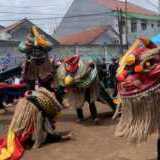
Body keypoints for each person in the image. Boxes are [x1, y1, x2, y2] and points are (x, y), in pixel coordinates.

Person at [0, 87, 71, 160]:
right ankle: (25, 141)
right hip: (32, 108)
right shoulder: (50, 103)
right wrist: (59, 137)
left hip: (24, 105)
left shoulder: (47, 97)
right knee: (30, 126)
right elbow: (47, 124)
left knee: (24, 126)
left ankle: (25, 140)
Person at [18, 26, 54, 91]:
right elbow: (21, 48)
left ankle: (45, 95)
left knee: (45, 83)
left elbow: (50, 46)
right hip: (31, 64)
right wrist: (29, 46)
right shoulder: (27, 40)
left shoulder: (42, 38)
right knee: (30, 84)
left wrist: (43, 43)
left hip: (43, 64)